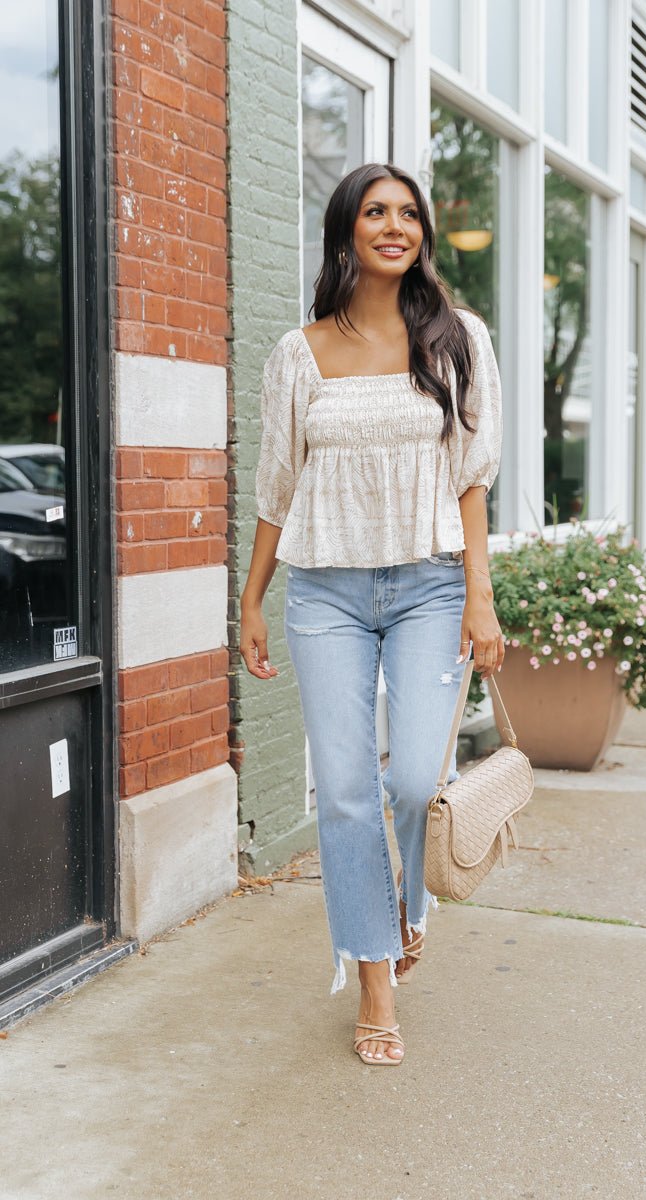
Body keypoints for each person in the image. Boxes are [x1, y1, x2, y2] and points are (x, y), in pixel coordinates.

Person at [239, 162, 503, 1066]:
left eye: (409, 213)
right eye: (375, 212)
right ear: (346, 230)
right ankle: (375, 983)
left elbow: (472, 478)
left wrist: (481, 595)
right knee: (347, 791)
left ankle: (410, 906)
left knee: (411, 782)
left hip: (431, 583)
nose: (395, 226)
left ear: (423, 232)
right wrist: (253, 598)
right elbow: (277, 484)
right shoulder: (299, 352)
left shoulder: (458, 337)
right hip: (325, 593)